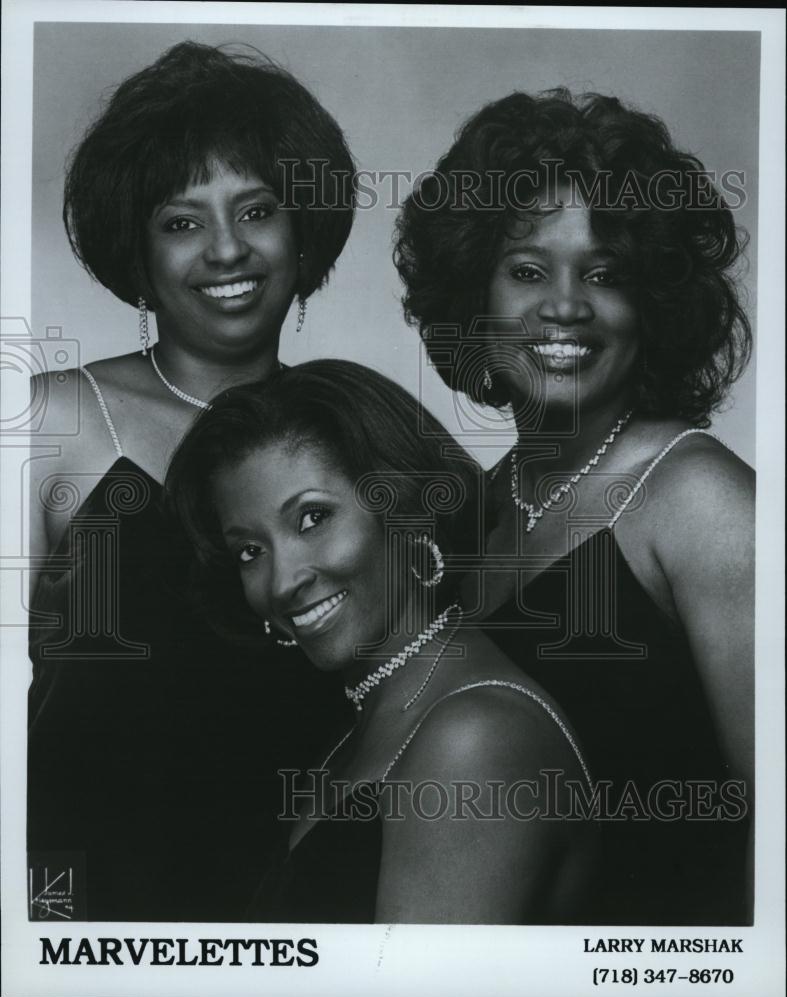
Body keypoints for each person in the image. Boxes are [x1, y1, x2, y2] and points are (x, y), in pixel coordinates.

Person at [394, 89, 754, 924]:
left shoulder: (700, 502)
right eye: (526, 271)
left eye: (604, 274)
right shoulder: (476, 512)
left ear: (654, 304)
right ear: (472, 299)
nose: (564, 305)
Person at [27, 41, 355, 920]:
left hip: (285, 924)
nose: (225, 251)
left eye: (256, 212)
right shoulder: (55, 420)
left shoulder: (353, 440)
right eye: (181, 222)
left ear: (301, 230)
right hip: (75, 918)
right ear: (135, 248)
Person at [166, 359, 599, 924]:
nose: (283, 580)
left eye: (312, 518)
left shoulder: (473, 740)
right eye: (250, 550)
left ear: (404, 504)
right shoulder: (365, 719)